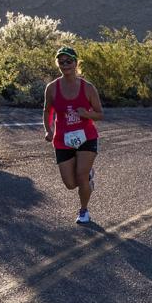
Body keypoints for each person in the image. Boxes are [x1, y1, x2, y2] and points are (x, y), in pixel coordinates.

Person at [43, 46, 104, 224]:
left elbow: (100, 114)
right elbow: (47, 111)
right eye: (61, 62)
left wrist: (86, 114)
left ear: (76, 63)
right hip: (63, 139)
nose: (65, 65)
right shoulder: (52, 88)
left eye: (69, 61)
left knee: (81, 175)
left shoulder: (88, 88)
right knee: (70, 183)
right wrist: (48, 130)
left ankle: (84, 211)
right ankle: (87, 177)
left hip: (87, 137)